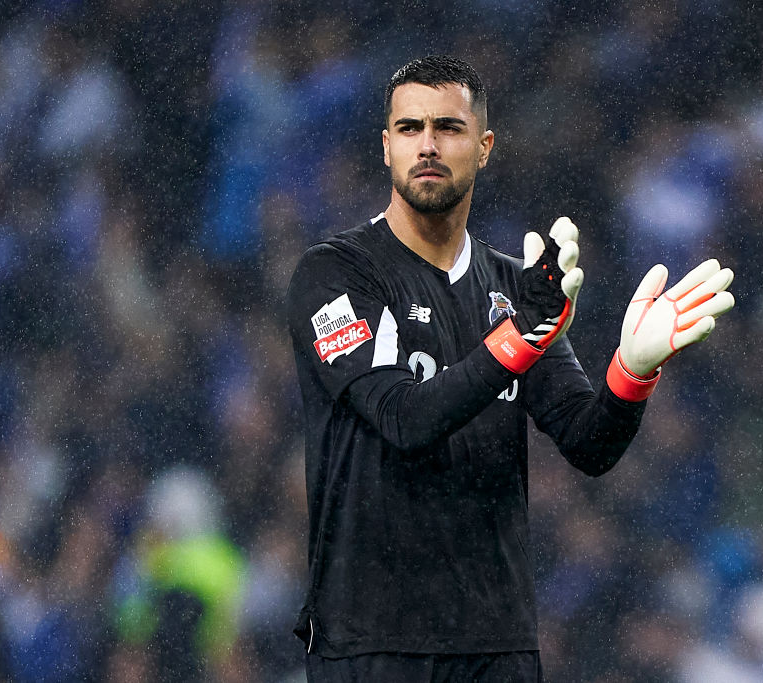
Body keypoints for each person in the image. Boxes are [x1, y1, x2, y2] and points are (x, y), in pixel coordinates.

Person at [285, 55, 735, 682]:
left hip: (497, 645)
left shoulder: (512, 289)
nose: (429, 145)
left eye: (450, 127)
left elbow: (589, 442)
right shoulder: (335, 274)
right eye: (410, 129)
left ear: (485, 146)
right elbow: (402, 418)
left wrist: (631, 372)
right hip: (373, 640)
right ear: (386, 147)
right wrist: (518, 338)